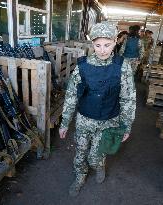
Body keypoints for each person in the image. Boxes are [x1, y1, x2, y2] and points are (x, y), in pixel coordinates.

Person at [59, 22, 136, 197]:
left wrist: (126, 125)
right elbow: (71, 96)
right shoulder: (82, 66)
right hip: (85, 120)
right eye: (97, 45)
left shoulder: (122, 67)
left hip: (108, 121)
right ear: (92, 44)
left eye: (107, 45)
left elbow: (128, 98)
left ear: (115, 41)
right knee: (80, 153)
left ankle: (99, 166)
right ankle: (79, 177)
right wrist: (64, 122)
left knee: (96, 156)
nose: (102, 50)